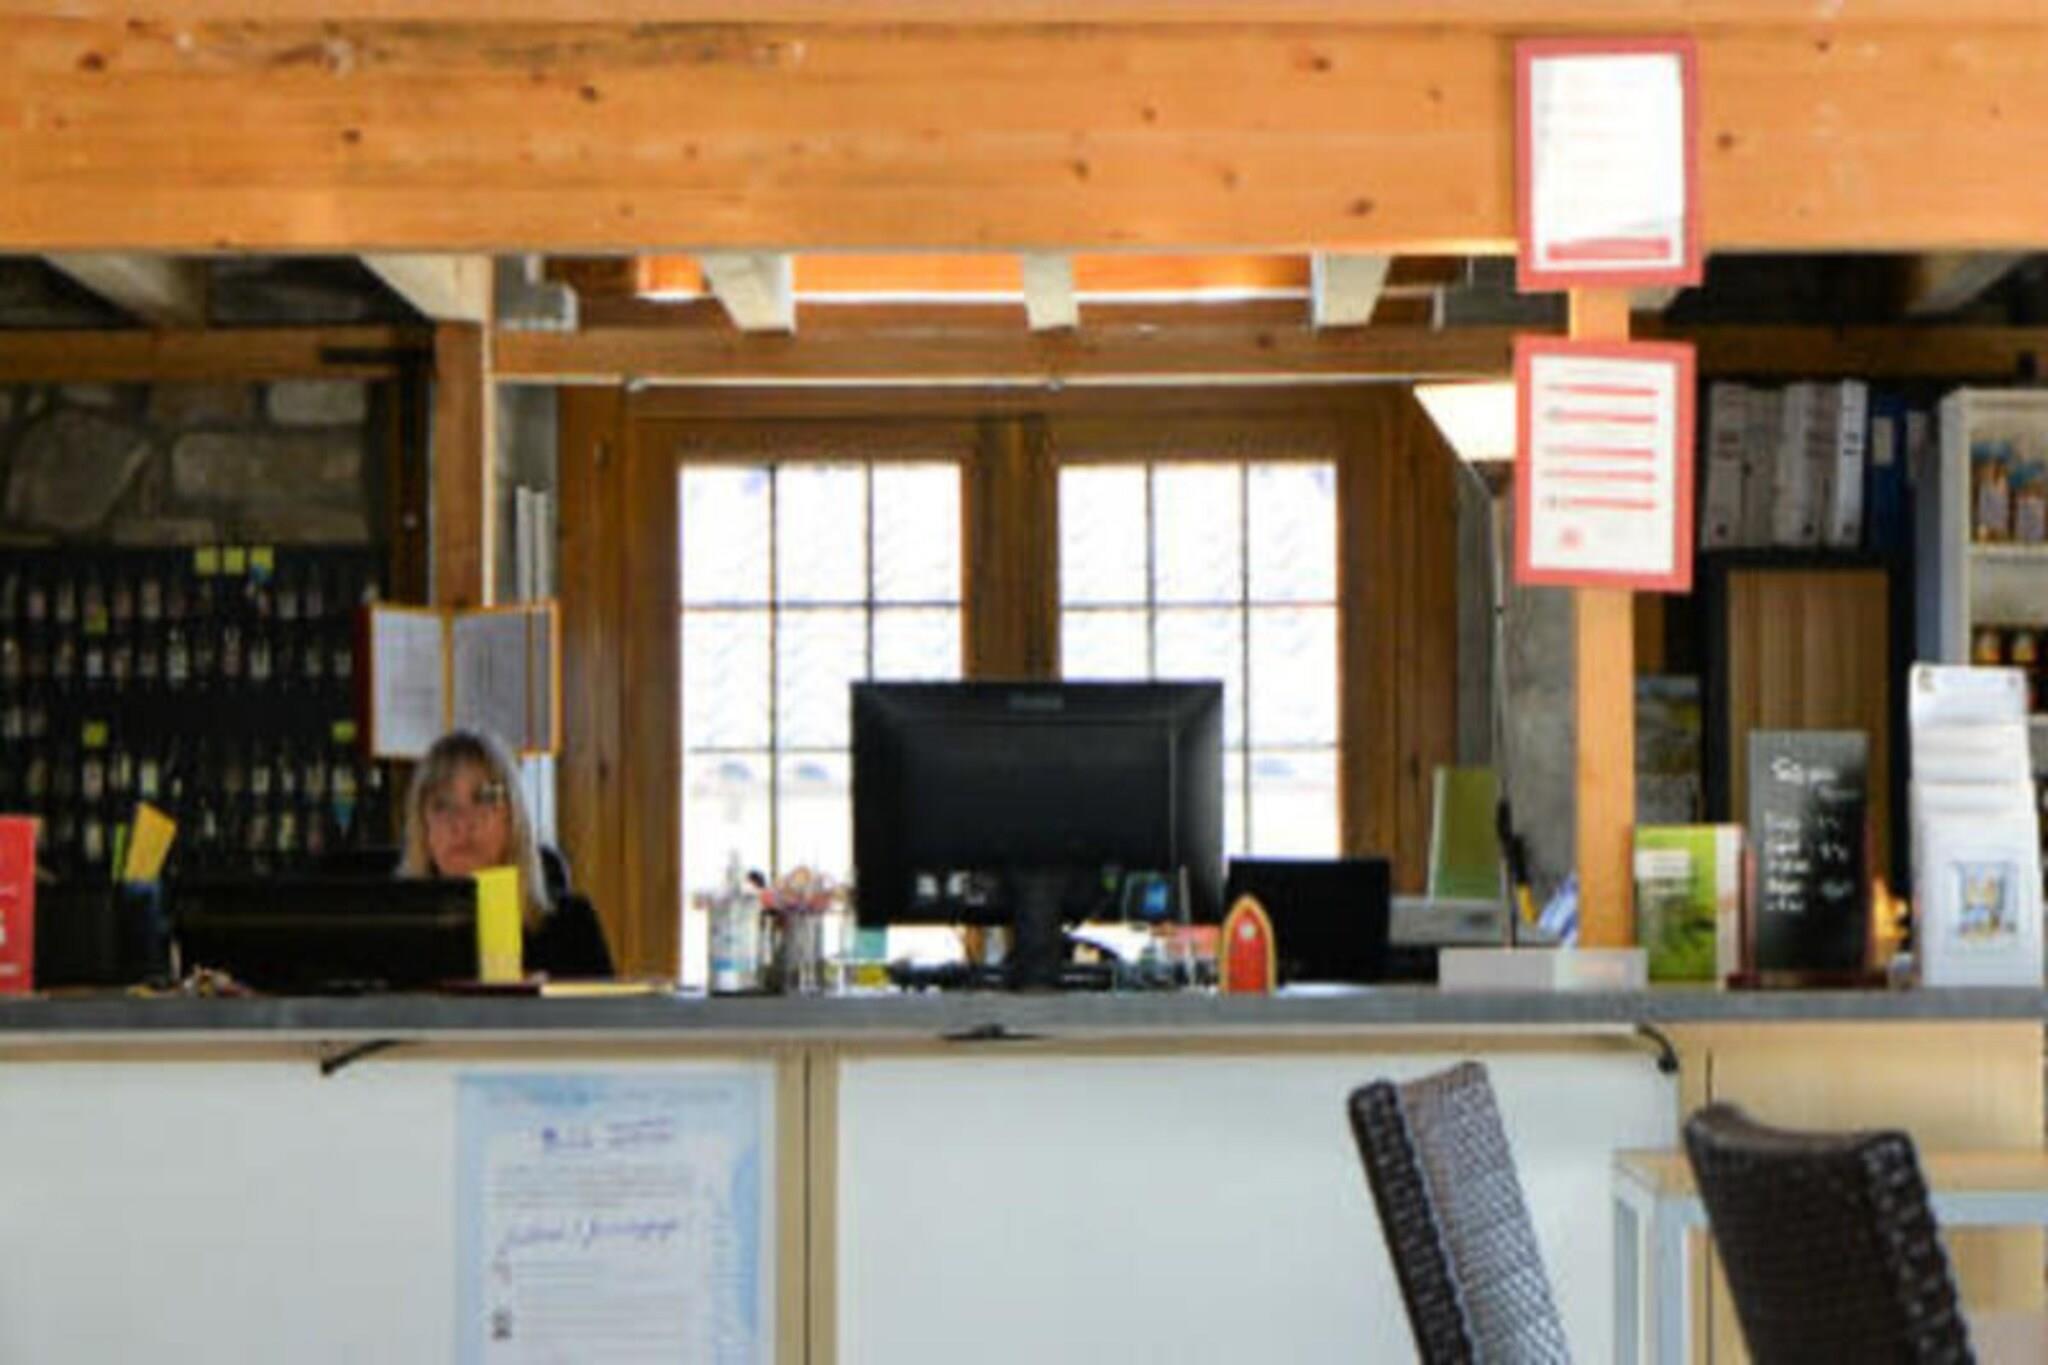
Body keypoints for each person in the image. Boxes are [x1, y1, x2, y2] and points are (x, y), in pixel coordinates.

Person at [399, 729, 613, 978]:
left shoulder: (573, 926)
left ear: (513, 817)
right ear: (423, 828)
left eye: (484, 798)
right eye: (442, 805)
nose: (463, 823)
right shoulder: (397, 933)